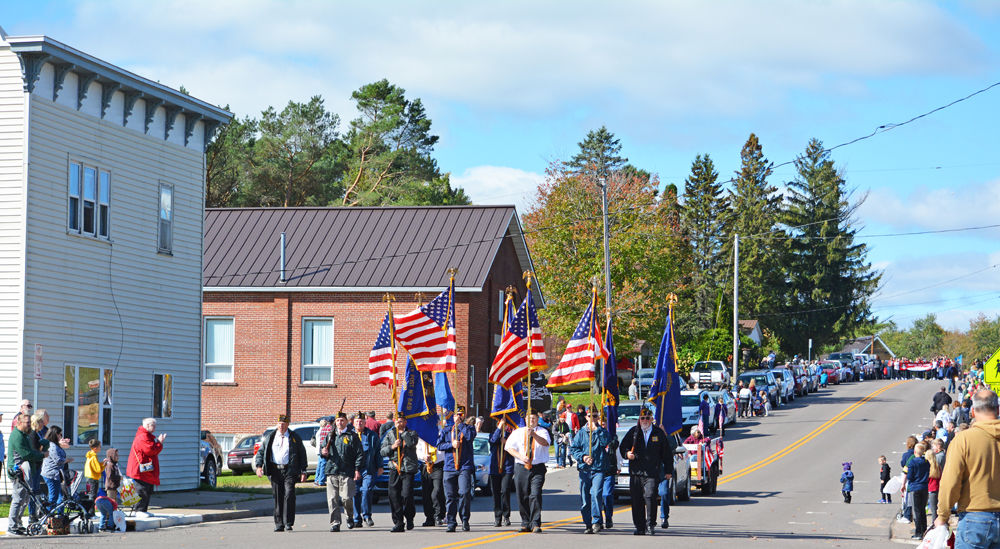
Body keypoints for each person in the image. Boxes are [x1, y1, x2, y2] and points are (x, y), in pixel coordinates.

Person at [935, 389, 1000, 547]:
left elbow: (951, 482)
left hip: (975, 518)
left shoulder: (964, 440)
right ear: (997, 409)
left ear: (972, 411)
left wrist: (942, 515)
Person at [619, 406, 672, 535]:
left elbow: (667, 453)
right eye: (642, 418)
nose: (645, 420)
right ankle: (639, 526)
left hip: (652, 472)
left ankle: (650, 525)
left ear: (651, 419)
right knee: (637, 500)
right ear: (639, 419)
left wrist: (668, 471)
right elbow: (623, 447)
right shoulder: (634, 432)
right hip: (636, 472)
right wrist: (627, 454)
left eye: (647, 418)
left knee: (650, 497)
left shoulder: (658, 433)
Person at [254, 414, 307, 532]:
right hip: (275, 470)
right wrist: (259, 466)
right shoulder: (270, 437)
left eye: (284, 424)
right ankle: (279, 524)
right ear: (277, 424)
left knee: (289, 494)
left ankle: (288, 522)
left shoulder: (294, 437)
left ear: (288, 425)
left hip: (290, 470)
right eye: (279, 424)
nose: (281, 426)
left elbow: (302, 454)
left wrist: (303, 470)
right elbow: (261, 452)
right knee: (278, 497)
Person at [505, 410, 550, 533]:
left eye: (534, 419)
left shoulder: (542, 431)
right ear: (525, 419)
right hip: (521, 466)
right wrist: (520, 456)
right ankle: (525, 522)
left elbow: (545, 443)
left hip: (537, 467)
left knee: (535, 494)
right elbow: (509, 447)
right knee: (522, 495)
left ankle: (535, 522)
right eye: (529, 418)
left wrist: (534, 435)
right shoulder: (518, 432)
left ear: (537, 420)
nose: (532, 421)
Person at [438, 405, 478, 532]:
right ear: (452, 415)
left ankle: (465, 519)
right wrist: (451, 444)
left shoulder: (469, 428)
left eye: (461, 415)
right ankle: (451, 522)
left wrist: (460, 425)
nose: (458, 417)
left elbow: (469, 438)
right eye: (456, 415)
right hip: (449, 467)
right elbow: (439, 445)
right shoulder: (446, 430)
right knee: (450, 496)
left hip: (464, 466)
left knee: (464, 493)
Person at [321, 412, 363, 532]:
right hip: (332, 471)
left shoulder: (352, 436)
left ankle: (349, 516)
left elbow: (359, 454)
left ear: (346, 422)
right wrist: (324, 452)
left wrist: (357, 469)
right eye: (338, 420)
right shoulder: (330, 436)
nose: (340, 423)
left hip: (346, 472)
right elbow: (323, 451)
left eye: (342, 420)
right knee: (332, 499)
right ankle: (335, 523)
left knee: (346, 499)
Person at [570, 407, 609, 534]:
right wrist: (583, 457)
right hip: (585, 469)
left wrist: (597, 430)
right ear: (586, 417)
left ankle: (596, 521)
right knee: (585, 498)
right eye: (590, 416)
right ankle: (587, 522)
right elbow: (574, 449)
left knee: (596, 493)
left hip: (598, 468)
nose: (593, 418)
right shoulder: (581, 433)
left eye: (595, 416)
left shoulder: (602, 431)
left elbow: (606, 442)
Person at [6, 412, 46, 535]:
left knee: (25, 498)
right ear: (19, 423)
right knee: (18, 498)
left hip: (26, 471)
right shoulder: (17, 436)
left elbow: (30, 451)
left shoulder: (25, 435)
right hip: (18, 471)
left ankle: (18, 523)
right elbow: (26, 454)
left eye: (29, 422)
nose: (29, 425)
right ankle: (12, 526)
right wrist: (41, 455)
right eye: (27, 423)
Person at [382, 415, 420, 532]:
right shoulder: (390, 434)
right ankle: (398, 522)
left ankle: (409, 518)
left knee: (407, 494)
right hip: (395, 467)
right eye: (397, 421)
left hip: (408, 468)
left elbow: (411, 443)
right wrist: (393, 446)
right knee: (393, 495)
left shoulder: (412, 433)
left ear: (405, 422)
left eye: (401, 421)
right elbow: (382, 451)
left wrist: (403, 433)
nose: (399, 423)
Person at [128, 418, 165, 518]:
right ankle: (138, 510)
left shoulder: (147, 436)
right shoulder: (143, 436)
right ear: (147, 425)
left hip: (145, 469)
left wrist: (158, 443)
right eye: (153, 425)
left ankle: (143, 509)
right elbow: (150, 450)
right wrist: (160, 443)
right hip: (140, 470)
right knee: (142, 489)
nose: (155, 427)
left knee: (148, 489)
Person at [352, 413, 380, 528]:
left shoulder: (372, 435)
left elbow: (378, 451)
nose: (359, 423)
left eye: (361, 421)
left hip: (368, 469)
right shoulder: (349, 435)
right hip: (353, 469)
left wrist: (380, 466)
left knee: (366, 490)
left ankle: (367, 515)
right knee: (355, 493)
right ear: (353, 423)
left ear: (365, 422)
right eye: (357, 421)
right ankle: (356, 518)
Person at [488, 420, 515, 527]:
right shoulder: (493, 435)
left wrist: (506, 442)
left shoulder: (510, 436)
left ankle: (506, 516)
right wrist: (499, 428)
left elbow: (514, 447)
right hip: (494, 469)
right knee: (495, 493)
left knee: (505, 491)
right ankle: (497, 517)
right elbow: (493, 440)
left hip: (507, 468)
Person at [417, 433, 446, 527]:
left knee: (437, 491)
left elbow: (443, 451)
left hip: (438, 466)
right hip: (425, 466)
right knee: (427, 493)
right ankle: (429, 517)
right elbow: (418, 451)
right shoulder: (422, 436)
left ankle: (438, 516)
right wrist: (423, 456)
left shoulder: (440, 435)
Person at [27, 412, 50, 520]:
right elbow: (35, 451)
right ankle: (32, 515)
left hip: (38, 466)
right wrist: (43, 453)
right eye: (40, 421)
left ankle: (35, 513)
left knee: (36, 490)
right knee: (33, 490)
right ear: (36, 422)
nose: (42, 424)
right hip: (34, 467)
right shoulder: (32, 434)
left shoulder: (37, 434)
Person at [41, 427, 71, 506]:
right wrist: (67, 460)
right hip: (51, 474)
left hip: (56, 474)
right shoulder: (52, 446)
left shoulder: (55, 445)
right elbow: (58, 461)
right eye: (59, 434)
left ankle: (59, 515)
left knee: (60, 495)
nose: (61, 435)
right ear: (54, 435)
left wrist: (62, 443)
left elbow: (64, 449)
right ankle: (48, 515)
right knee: (54, 497)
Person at [599, 416, 619, 530]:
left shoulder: (612, 436)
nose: (603, 425)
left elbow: (616, 447)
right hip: (597, 470)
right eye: (601, 424)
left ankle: (608, 517)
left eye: (604, 423)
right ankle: (598, 520)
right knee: (597, 496)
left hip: (609, 470)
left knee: (607, 495)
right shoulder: (594, 435)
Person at [907, 442, 930, 539]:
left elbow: (910, 476)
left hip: (915, 487)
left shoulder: (912, 462)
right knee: (922, 510)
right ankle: (924, 530)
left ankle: (918, 532)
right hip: (924, 487)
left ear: (915, 451)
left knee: (916, 511)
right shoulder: (926, 462)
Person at [927, 438, 945, 525]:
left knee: (934, 509)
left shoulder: (939, 458)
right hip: (937, 487)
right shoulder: (940, 456)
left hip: (934, 488)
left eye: (933, 446)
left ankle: (935, 525)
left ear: (938, 446)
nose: (932, 448)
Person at [314, 419, 331, 487]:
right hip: (322, 449)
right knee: (323, 465)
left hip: (319, 450)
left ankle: (316, 479)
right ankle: (321, 481)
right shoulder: (327, 429)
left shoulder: (320, 430)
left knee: (320, 465)